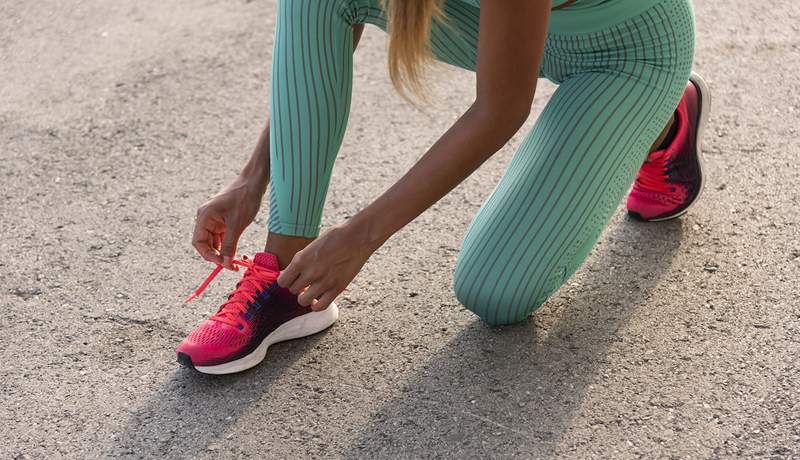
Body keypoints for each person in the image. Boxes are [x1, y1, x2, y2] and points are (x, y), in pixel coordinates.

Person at [176, 0, 709, 374]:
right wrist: (252, 178)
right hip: (495, 24)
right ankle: (283, 279)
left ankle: (661, 120)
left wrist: (360, 237)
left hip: (621, 53)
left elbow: (500, 108)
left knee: (496, 292)